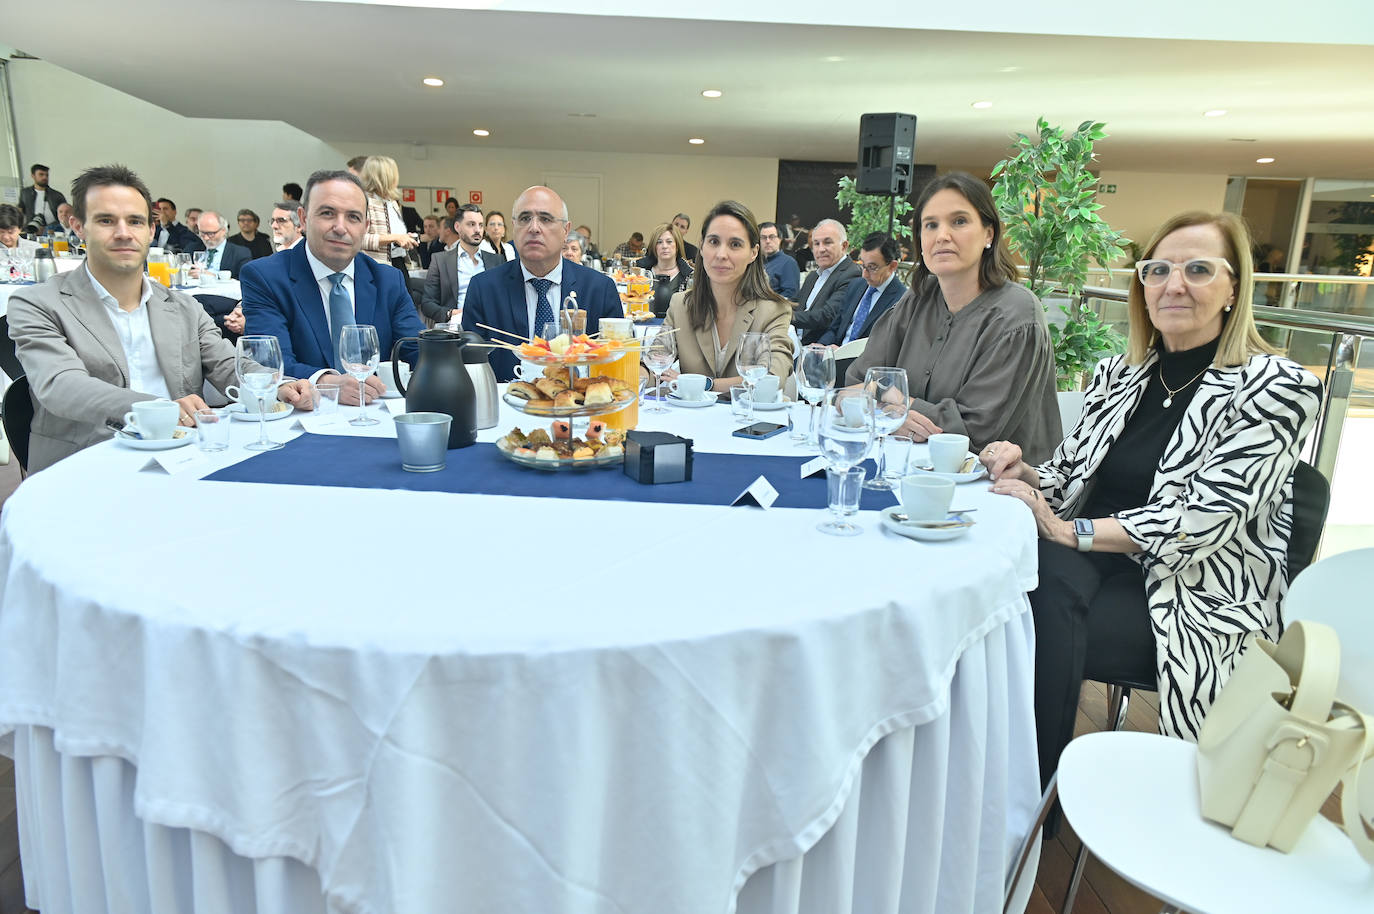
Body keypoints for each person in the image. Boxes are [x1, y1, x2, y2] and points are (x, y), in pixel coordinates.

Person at [982, 211, 1322, 785]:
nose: (1174, 284)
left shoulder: (1278, 387)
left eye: (1197, 269)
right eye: (1158, 269)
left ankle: (1023, 798)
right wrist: (1029, 475)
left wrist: (1068, 532)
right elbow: (1068, 477)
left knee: (1032, 603)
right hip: (1088, 561)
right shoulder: (1121, 373)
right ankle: (1012, 786)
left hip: (1193, 593)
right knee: (1003, 586)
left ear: (1234, 286)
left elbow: (1203, 520)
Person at [7, 164, 314, 473]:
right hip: (85, 466)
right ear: (78, 226)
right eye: (105, 221)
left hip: (179, 460)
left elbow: (226, 363)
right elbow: (62, 386)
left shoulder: (184, 307)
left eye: (135, 221)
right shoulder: (38, 304)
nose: (124, 233)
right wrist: (156, 409)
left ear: (151, 230)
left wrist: (277, 385)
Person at [848, 172, 1060, 463]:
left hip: (997, 489)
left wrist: (893, 401)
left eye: (959, 221)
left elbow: (973, 433)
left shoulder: (1017, 316)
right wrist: (893, 407)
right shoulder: (917, 299)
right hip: (915, 469)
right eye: (931, 225)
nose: (942, 236)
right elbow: (854, 383)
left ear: (989, 233)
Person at [240, 169, 424, 404]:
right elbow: (271, 364)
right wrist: (326, 382)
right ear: (304, 219)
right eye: (327, 213)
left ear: (366, 226)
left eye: (353, 217)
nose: (340, 227)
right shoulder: (265, 277)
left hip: (377, 416)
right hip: (303, 417)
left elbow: (414, 352)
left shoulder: (388, 280)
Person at [462, 186, 621, 381]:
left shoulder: (599, 289)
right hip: (505, 405)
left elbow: (615, 366)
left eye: (545, 219)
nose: (534, 228)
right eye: (524, 219)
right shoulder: (484, 289)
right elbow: (470, 367)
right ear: (514, 227)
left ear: (566, 231)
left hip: (578, 405)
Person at [658, 200, 793, 393]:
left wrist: (704, 384)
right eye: (713, 242)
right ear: (702, 247)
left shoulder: (773, 311)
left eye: (735, 244)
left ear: (754, 252)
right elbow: (654, 360)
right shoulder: (681, 304)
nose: (721, 254)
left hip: (748, 420)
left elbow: (770, 379)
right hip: (690, 420)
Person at [816, 233, 906, 350]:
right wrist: (822, 346)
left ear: (892, 266)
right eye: (862, 265)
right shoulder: (856, 285)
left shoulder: (901, 299)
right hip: (835, 355)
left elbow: (888, 348)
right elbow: (835, 328)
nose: (864, 274)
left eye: (872, 267)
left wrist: (844, 353)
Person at [421, 207, 500, 326]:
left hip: (490, 325)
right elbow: (427, 303)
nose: (477, 230)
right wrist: (451, 313)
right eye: (471, 224)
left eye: (480, 225)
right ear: (457, 227)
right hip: (456, 328)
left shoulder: (496, 260)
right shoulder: (440, 260)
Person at [792, 219, 860, 344]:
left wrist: (785, 316)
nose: (821, 249)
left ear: (844, 246)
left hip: (820, 349)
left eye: (827, 243)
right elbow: (796, 304)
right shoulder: (813, 275)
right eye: (816, 244)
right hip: (794, 343)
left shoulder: (851, 274)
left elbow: (827, 316)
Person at [357, 156, 418, 270]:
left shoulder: (392, 203)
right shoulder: (365, 202)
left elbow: (392, 236)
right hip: (376, 267)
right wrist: (394, 238)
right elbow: (358, 240)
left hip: (399, 263)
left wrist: (403, 238)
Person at [636, 222, 693, 317]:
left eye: (669, 241)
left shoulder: (689, 276)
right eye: (659, 242)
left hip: (676, 328)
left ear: (677, 245)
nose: (664, 246)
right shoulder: (641, 272)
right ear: (654, 247)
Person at [194, 211, 250, 280]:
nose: (206, 238)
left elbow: (245, 280)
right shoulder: (192, 248)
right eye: (202, 233)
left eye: (210, 233)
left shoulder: (240, 253)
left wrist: (214, 277)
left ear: (223, 231)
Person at [759, 221, 800, 300]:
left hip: (774, 308)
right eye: (763, 238)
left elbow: (790, 295)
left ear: (780, 239)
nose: (767, 241)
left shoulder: (788, 263)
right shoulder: (753, 262)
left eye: (772, 237)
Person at [20, 164, 68, 231]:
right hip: (31, 229)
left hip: (53, 230)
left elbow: (66, 214)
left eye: (46, 175)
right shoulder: (25, 193)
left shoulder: (57, 195)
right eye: (41, 174)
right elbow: (20, 210)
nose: (44, 177)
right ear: (33, 176)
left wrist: (47, 229)